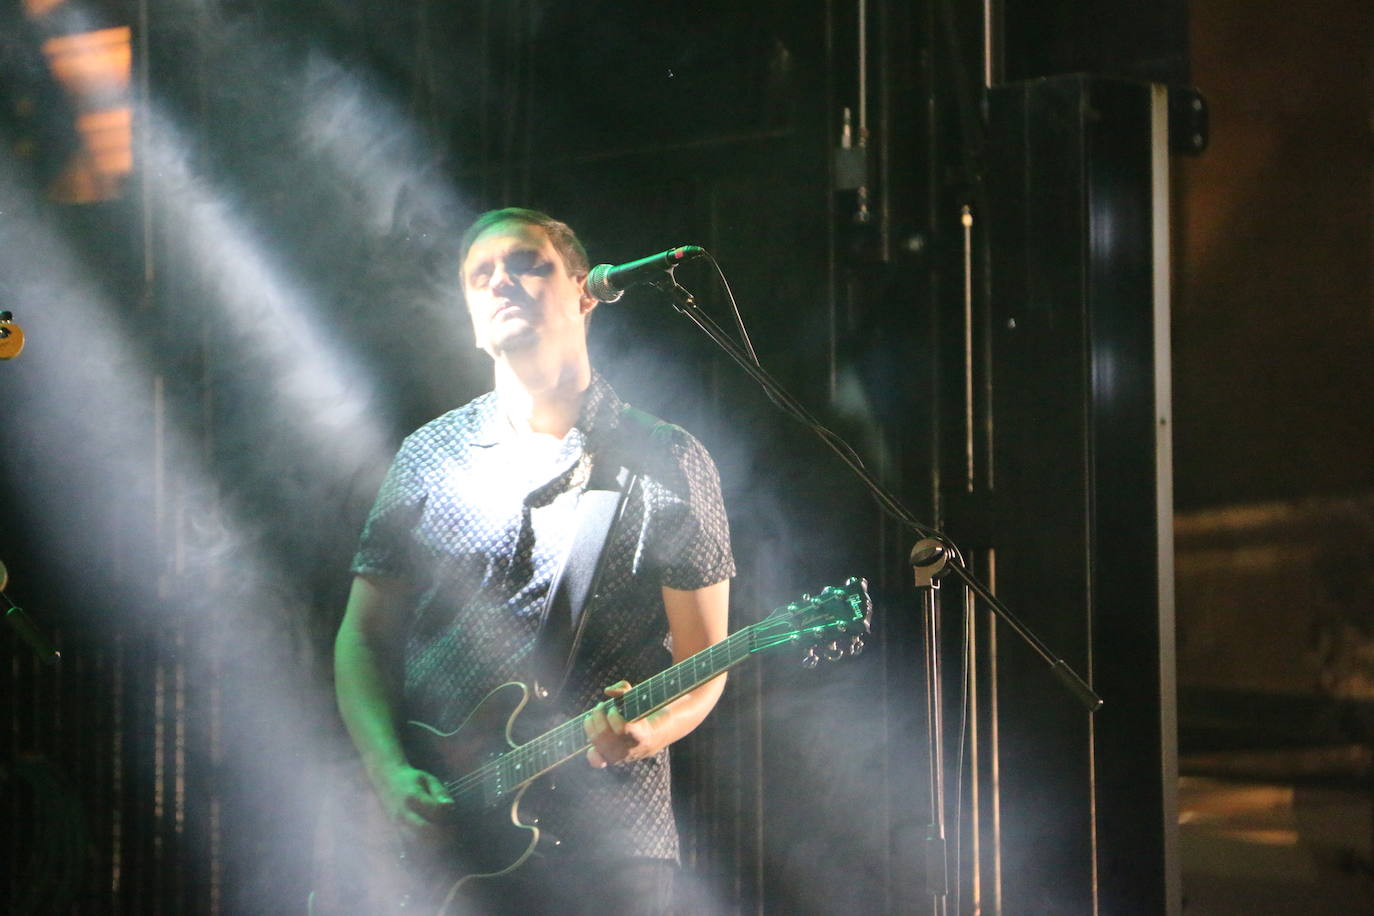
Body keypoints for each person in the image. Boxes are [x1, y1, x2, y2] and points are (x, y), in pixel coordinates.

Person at [333, 207, 734, 914]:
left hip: (612, 841)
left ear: (585, 291)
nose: (501, 282)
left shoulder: (665, 459)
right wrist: (389, 772)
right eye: (480, 275)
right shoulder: (429, 454)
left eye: (527, 263)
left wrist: (651, 729)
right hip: (451, 844)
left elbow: (707, 658)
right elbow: (362, 637)